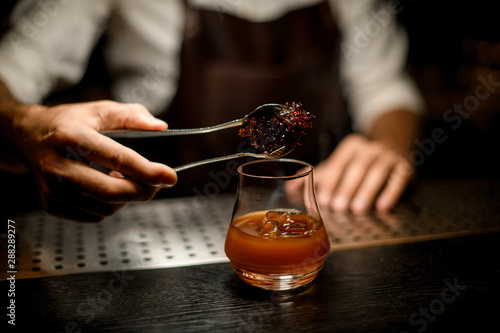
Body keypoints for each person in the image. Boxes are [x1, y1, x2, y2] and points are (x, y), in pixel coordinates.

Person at [0, 0, 423, 222]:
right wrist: (25, 125)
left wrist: (390, 146)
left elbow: (386, 87)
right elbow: (13, 68)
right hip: (154, 219)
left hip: (314, 211)